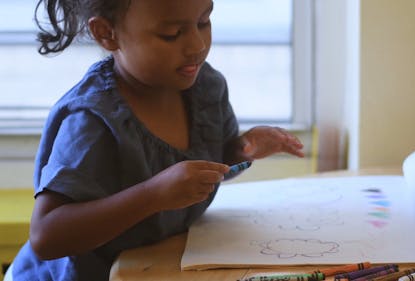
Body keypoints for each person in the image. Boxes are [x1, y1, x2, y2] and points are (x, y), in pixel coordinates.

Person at [9, 0, 304, 280]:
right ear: (107, 34)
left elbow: (205, 168)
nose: (197, 46)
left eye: (204, 21)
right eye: (171, 34)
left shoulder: (206, 87)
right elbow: (47, 236)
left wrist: (241, 150)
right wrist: (153, 195)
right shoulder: (93, 122)